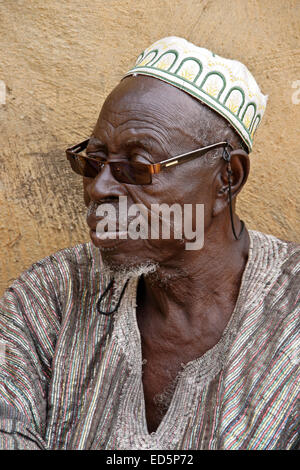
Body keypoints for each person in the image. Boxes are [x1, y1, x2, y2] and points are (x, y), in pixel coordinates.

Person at [0, 37, 299, 450]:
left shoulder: (291, 316)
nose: (99, 188)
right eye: (93, 161)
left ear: (227, 177)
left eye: (138, 167)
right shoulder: (50, 298)